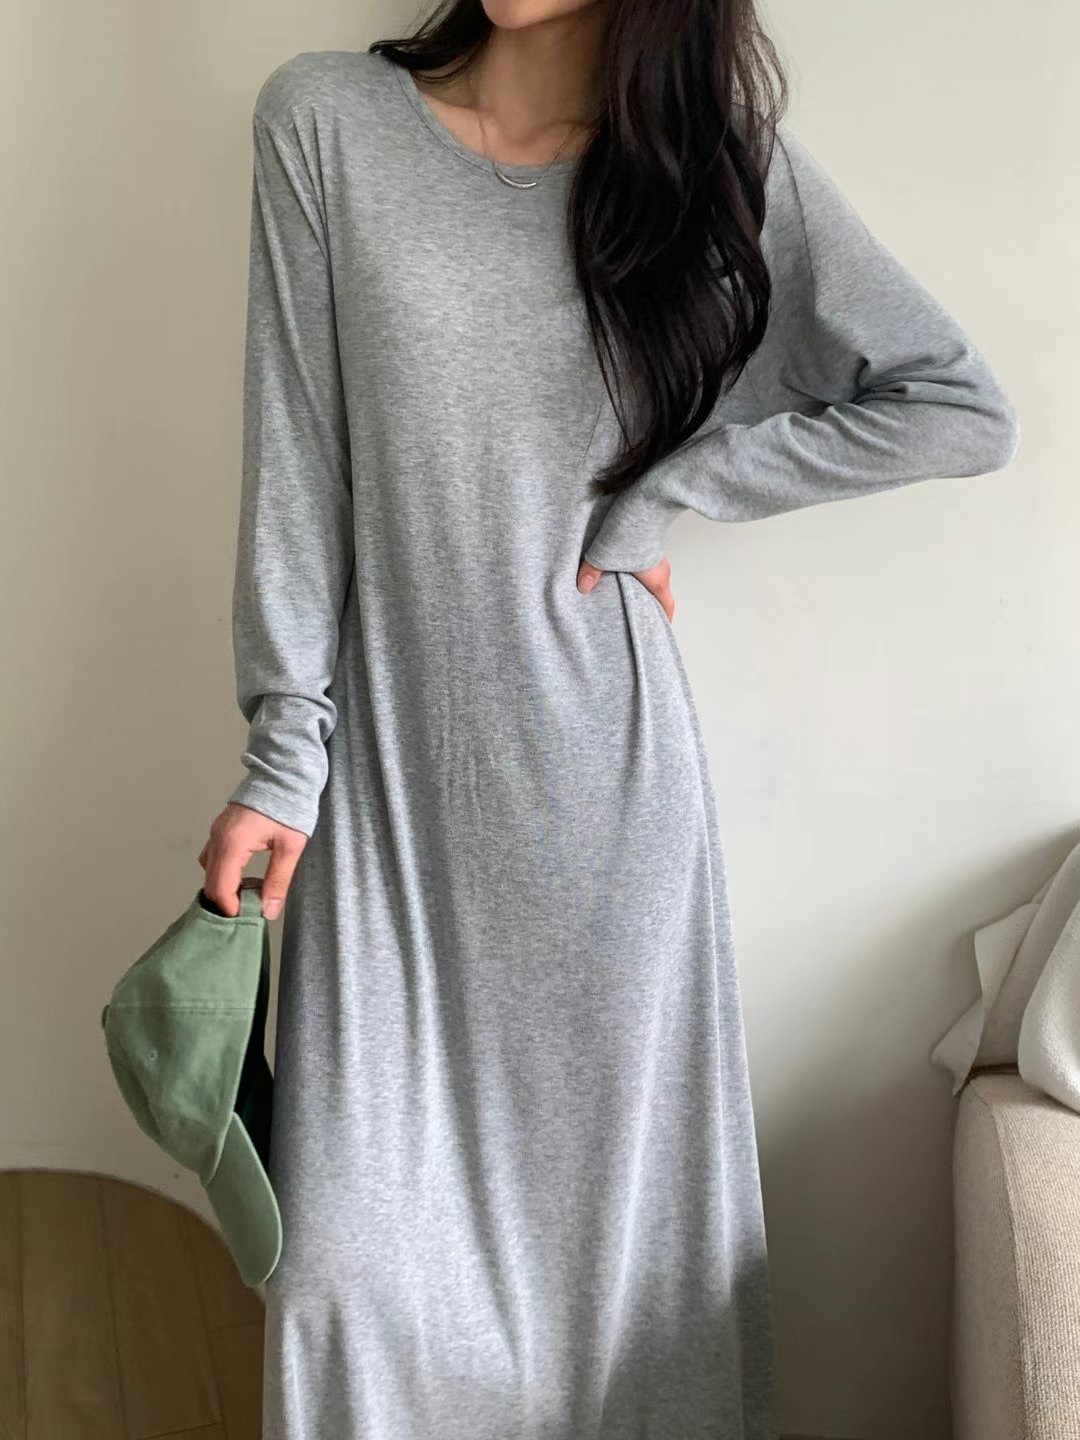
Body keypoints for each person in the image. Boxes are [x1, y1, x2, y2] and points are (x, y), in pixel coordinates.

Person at [197, 2, 1019, 1436]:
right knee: (347, 1283)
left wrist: (678, 485)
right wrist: (283, 754)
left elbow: (954, 404)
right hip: (381, 812)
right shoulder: (324, 124)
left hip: (603, 803)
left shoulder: (706, 171)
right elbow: (299, 470)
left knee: (623, 1300)